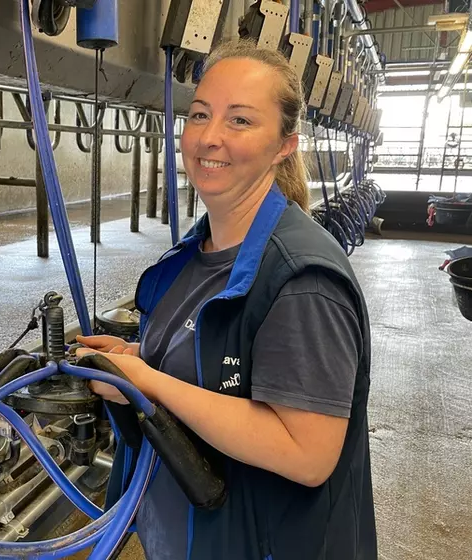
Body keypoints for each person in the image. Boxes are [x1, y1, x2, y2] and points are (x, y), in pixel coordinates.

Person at [76, 39, 377, 560]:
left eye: (240, 121)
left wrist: (149, 383)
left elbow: (307, 453)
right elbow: (199, 379)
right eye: (199, 115)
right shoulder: (194, 256)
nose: (209, 138)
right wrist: (137, 368)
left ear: (285, 145)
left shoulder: (301, 281)